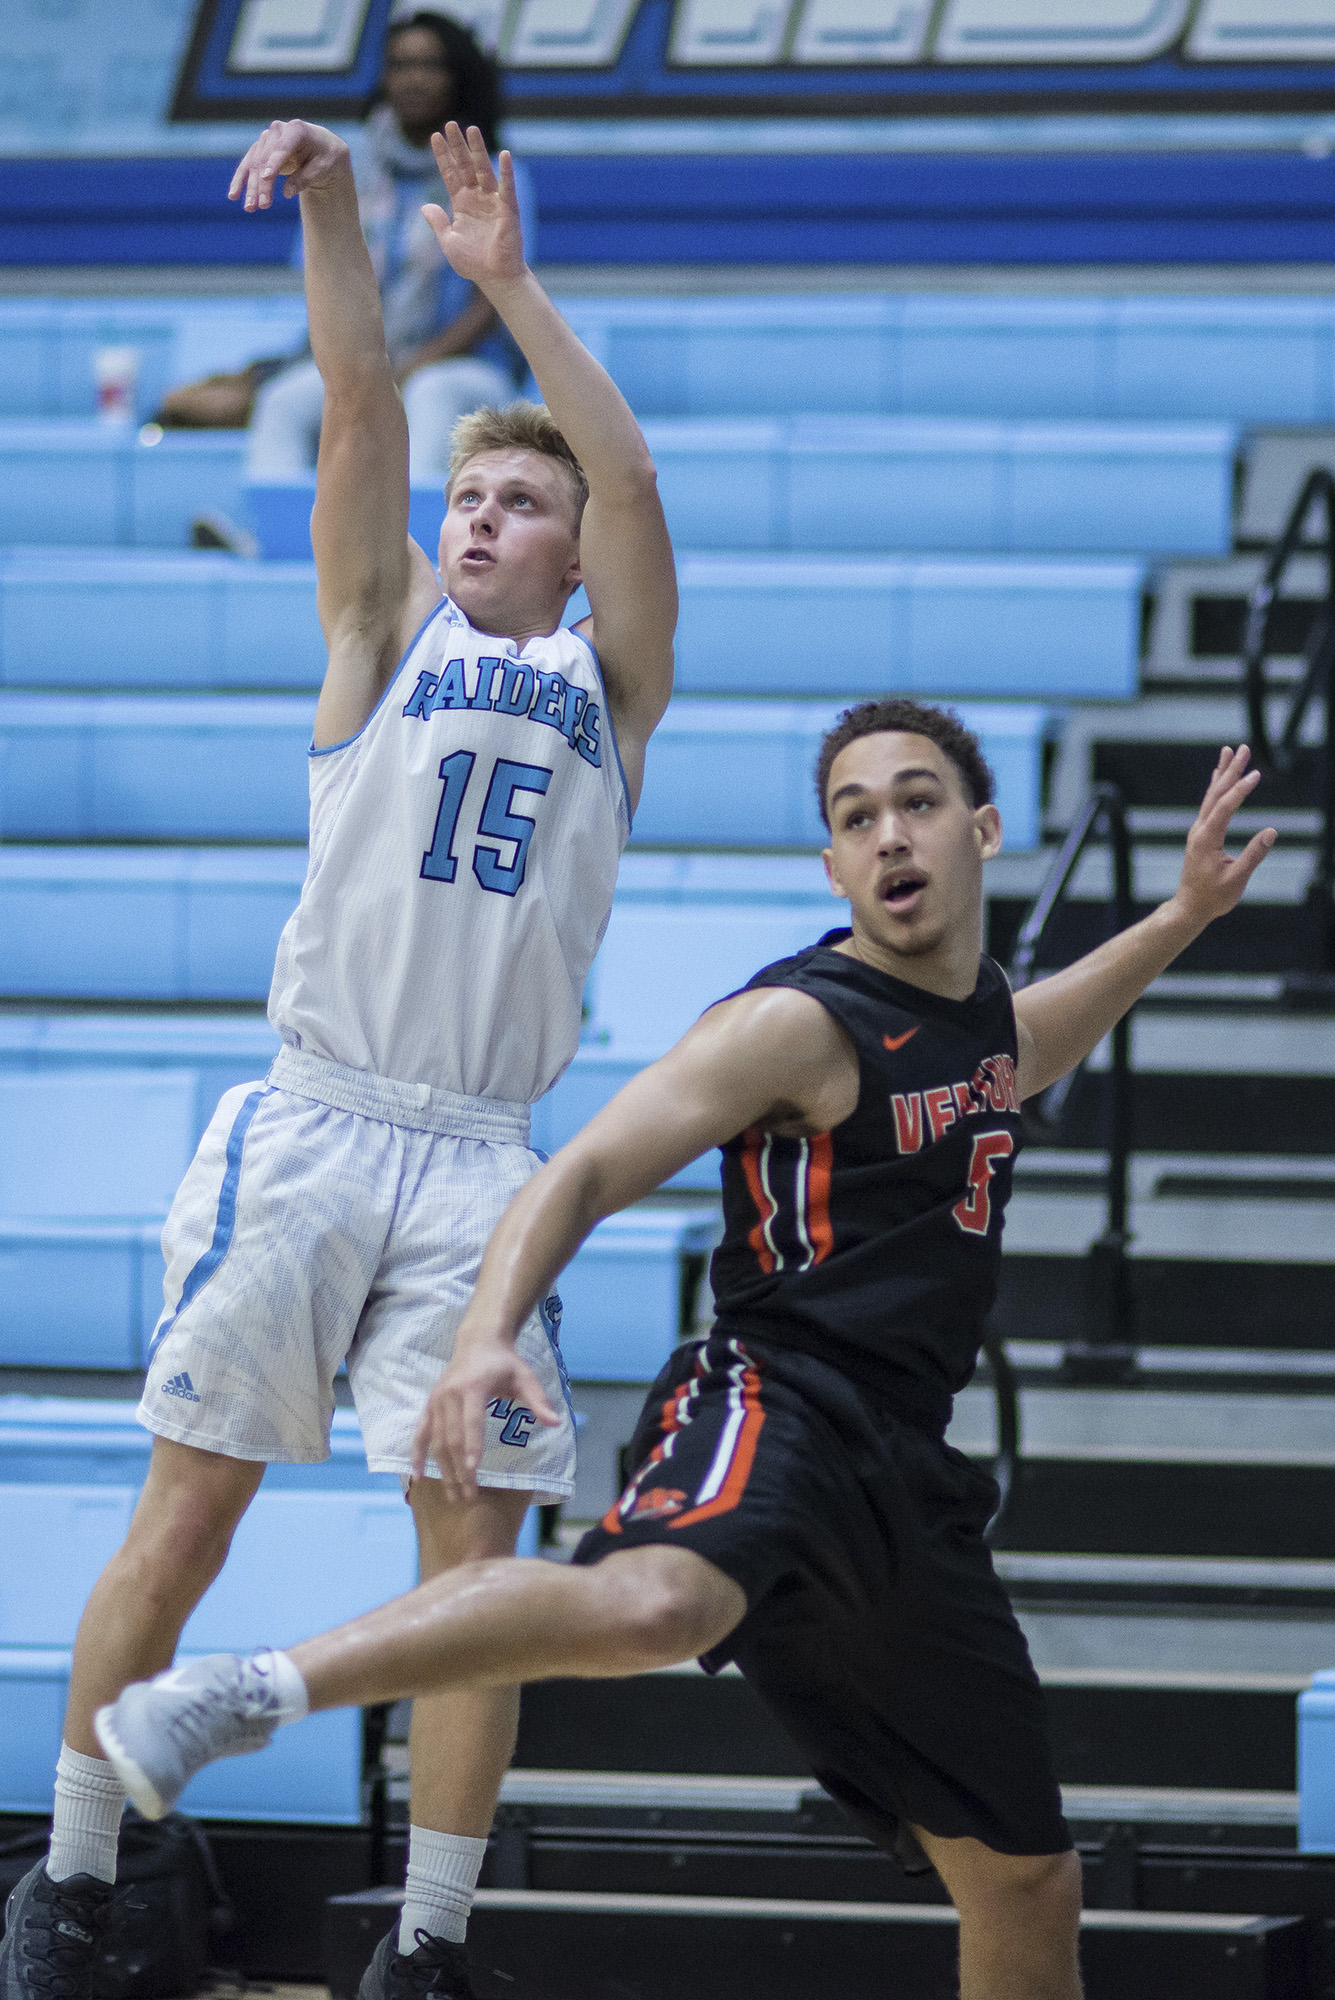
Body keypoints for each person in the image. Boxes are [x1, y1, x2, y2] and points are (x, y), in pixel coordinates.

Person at [89, 709, 1274, 2000]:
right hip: (775, 1399)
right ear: (831, 867)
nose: (887, 834)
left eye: (915, 803)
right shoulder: (795, 1025)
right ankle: (247, 1690)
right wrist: (484, 1333)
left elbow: (1026, 1042)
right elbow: (588, 1166)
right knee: (653, 1605)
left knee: (1023, 1877)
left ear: (981, 832)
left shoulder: (976, 1019)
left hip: (906, 1478)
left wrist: (1181, 918)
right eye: (854, 815)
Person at [0, 117, 673, 2000]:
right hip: (310, 1128)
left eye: (516, 507)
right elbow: (364, 402)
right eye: (472, 503)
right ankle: (67, 1883)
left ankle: (432, 1947)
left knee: (478, 1559)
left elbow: (629, 478)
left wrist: (515, 292)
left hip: (480, 1156)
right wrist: (331, 210)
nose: (481, 519)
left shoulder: (609, 690)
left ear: (566, 551)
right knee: (186, 1514)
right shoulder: (379, 635)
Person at [160, 12, 531, 478]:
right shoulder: (350, 163)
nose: (413, 79)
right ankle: (274, 540)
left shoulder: (488, 170)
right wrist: (364, 367)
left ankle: (415, 544)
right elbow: (327, 278)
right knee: (283, 403)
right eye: (400, 65)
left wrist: (411, 366)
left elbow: (491, 305)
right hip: (367, 359)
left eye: (430, 65)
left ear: (457, 77)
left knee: (428, 396)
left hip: (463, 365)